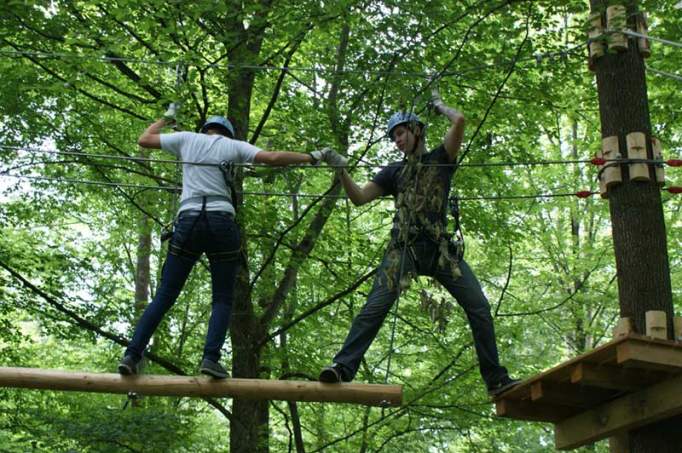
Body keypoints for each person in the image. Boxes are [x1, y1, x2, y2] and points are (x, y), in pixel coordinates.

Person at [318, 92, 519, 396]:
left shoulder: (441, 159)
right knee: (375, 307)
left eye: (401, 133)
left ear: (417, 130)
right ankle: (342, 367)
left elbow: (460, 121)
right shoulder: (393, 172)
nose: (397, 140)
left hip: (440, 250)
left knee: (478, 306)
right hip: (404, 250)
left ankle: (496, 379)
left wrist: (439, 105)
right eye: (394, 137)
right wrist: (341, 170)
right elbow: (359, 198)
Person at [118, 105, 335, 378]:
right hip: (222, 221)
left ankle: (132, 354)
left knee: (165, 295)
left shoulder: (186, 139)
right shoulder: (234, 146)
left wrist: (167, 118)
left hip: (189, 222)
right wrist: (312, 157)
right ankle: (210, 358)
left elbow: (144, 139)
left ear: (205, 129)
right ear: (227, 133)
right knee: (221, 299)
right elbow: (273, 157)